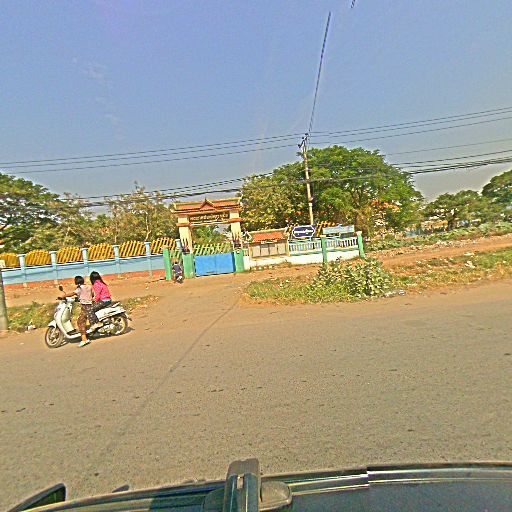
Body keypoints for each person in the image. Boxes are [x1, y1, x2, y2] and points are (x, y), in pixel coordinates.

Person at [60, 275, 100, 347]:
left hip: (85, 307)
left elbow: (72, 293)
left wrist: (63, 296)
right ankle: (88, 333)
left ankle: (84, 340)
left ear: (76, 282)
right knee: (83, 320)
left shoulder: (79, 289)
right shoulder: (89, 286)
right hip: (91, 305)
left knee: (80, 322)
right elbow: (92, 294)